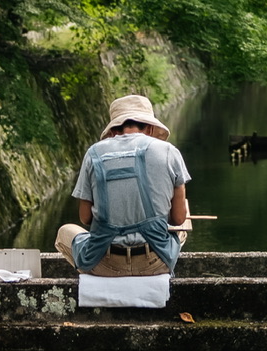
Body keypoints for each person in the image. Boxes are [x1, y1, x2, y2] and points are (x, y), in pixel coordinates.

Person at [56, 95, 192, 277]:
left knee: (64, 232)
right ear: (151, 128)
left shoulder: (93, 153)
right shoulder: (169, 152)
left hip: (105, 264)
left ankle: (97, 279)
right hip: (155, 263)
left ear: (113, 131)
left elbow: (85, 218)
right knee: (181, 231)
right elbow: (178, 218)